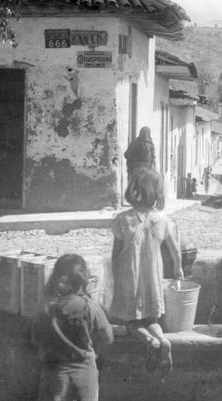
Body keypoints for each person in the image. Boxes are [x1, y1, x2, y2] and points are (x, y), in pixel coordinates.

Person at [110, 168, 183, 376]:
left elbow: (116, 254)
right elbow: (176, 249)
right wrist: (178, 268)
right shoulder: (163, 219)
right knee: (151, 319)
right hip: (152, 275)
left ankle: (149, 340)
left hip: (129, 275)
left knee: (132, 322)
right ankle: (163, 340)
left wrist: (116, 277)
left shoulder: (123, 219)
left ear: (134, 190)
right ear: (157, 194)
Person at [32, 254, 114, 401]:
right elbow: (107, 337)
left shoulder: (44, 307)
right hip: (83, 376)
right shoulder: (89, 307)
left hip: (54, 377)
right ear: (82, 280)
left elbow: (36, 339)